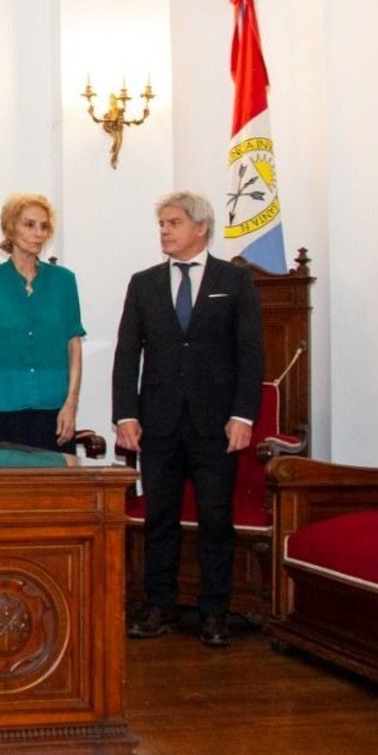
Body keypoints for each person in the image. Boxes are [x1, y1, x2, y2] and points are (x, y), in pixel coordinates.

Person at [114, 190, 263, 648]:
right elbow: (127, 355)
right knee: (160, 518)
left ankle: (214, 612)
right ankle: (159, 605)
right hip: (157, 423)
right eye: (161, 223)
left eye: (173, 223)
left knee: (216, 519)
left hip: (216, 425)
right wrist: (125, 415)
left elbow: (251, 354)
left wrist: (242, 415)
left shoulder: (234, 281)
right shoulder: (143, 283)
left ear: (201, 228)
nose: (164, 231)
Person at [0, 194, 84, 453]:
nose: (38, 233)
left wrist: (71, 405)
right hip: (3, 407)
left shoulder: (64, 281)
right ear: (10, 228)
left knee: (58, 491)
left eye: (44, 226)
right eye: (29, 225)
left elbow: (74, 347)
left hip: (55, 408)